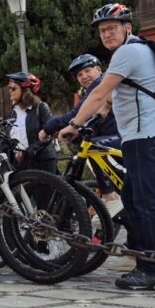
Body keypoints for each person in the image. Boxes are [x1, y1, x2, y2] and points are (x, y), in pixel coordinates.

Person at [70, 3, 155, 292]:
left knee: (147, 203)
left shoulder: (127, 52)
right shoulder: (139, 52)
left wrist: (73, 124)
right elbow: (109, 103)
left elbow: (99, 94)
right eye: (102, 31)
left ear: (127, 27)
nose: (107, 35)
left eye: (112, 28)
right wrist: (92, 123)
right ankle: (150, 250)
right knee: (132, 197)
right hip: (149, 136)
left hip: (148, 137)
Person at [41, 53, 120, 207]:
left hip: (119, 135)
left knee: (94, 148)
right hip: (114, 136)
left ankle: (109, 194)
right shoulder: (91, 89)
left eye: (87, 71)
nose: (84, 76)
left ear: (98, 69)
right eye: (79, 74)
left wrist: (47, 128)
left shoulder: (100, 85)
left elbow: (74, 115)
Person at [4, 73, 57, 173]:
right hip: (20, 164)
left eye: (13, 89)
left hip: (42, 162)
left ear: (25, 91)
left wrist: (26, 152)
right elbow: (8, 137)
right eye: (9, 89)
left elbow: (49, 134)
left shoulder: (41, 108)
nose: (10, 92)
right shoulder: (13, 112)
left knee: (45, 189)